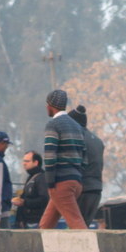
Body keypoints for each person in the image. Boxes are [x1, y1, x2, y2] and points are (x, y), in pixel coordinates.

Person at [39, 89, 88, 229]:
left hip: (61, 183)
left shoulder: (53, 125)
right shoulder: (77, 126)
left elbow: (49, 157)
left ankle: (89, 244)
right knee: (46, 224)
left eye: (47, 104)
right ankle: (39, 243)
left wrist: (50, 183)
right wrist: (78, 176)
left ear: (50, 106)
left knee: (76, 223)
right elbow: (84, 157)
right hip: (76, 182)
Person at [68, 105, 105, 225]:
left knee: (76, 227)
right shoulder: (98, 141)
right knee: (84, 226)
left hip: (82, 189)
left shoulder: (77, 138)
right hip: (96, 189)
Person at [13, 151, 49, 228]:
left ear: (36, 162)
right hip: (27, 221)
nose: (24, 163)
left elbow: (44, 199)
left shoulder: (41, 178)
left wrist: (25, 202)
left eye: (27, 161)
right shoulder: (31, 177)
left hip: (35, 221)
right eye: (23, 161)